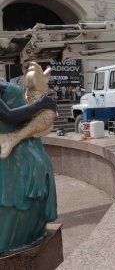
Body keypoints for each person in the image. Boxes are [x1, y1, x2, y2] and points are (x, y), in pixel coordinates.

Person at [0, 81, 57, 252]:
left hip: (23, 146)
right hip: (10, 151)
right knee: (13, 206)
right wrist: (41, 103)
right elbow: (8, 115)